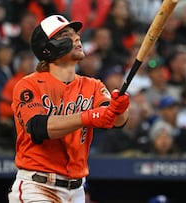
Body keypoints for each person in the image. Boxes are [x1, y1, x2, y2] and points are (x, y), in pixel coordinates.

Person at [8, 15, 129, 203]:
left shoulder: (93, 85)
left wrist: (119, 108)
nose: (76, 38)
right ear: (47, 47)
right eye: (66, 34)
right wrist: (87, 116)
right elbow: (38, 127)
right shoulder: (29, 84)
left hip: (77, 190)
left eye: (76, 34)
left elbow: (115, 120)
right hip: (38, 186)